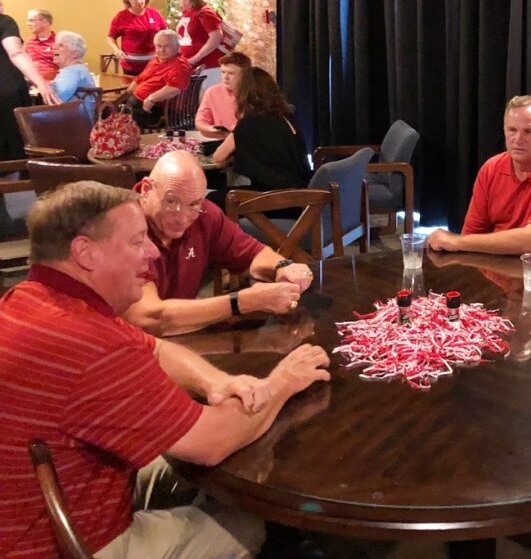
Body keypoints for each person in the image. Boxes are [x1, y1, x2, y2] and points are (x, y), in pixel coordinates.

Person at [0, 181, 330, 558]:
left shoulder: (30, 300)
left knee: (204, 463)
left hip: (56, 499)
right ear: (85, 253)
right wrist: (283, 382)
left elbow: (154, 347)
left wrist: (217, 381)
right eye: (138, 241)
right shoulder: (91, 344)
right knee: (248, 522)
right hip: (65, 544)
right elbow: (213, 442)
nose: (154, 253)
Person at [124, 150, 316, 336]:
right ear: (146, 189)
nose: (182, 219)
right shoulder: (123, 226)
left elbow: (252, 253)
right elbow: (148, 319)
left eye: (193, 205)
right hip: (124, 350)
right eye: (171, 202)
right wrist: (242, 302)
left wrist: (282, 267)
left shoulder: (206, 215)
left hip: (182, 340)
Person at [427, 95, 531, 255]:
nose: (518, 139)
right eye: (512, 130)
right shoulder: (492, 168)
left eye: (528, 131)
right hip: (495, 267)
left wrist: (456, 241)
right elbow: (472, 233)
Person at [210, 67, 312, 207]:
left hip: (272, 200)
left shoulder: (250, 122)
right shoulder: (286, 116)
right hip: (301, 195)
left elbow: (218, 158)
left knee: (212, 199)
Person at [0, 0, 58, 160]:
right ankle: (16, 180)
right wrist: (41, 83)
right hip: (6, 88)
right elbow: (16, 52)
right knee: (12, 138)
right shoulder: (5, 22)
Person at [122, 28, 193, 127]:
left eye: (166, 46)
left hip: (154, 111)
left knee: (108, 118)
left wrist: (152, 98)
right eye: (159, 46)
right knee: (107, 109)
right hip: (136, 105)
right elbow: (139, 80)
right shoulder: (155, 60)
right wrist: (124, 96)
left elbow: (174, 89)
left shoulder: (180, 65)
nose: (162, 50)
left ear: (177, 47)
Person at [107, 0, 167, 76]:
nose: (139, 1)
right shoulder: (121, 16)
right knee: (134, 89)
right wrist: (117, 50)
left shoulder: (154, 13)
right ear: (128, 0)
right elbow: (111, 36)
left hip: (153, 63)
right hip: (131, 64)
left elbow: (165, 32)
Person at [176, 0, 226, 91]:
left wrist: (195, 58)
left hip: (209, 65)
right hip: (192, 65)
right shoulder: (187, 12)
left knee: (207, 97)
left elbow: (216, 37)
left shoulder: (205, 12)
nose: (179, 0)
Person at [196, 51, 252, 138]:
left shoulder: (255, 93)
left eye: (231, 73)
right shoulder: (212, 92)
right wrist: (210, 129)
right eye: (223, 72)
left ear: (244, 75)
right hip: (220, 140)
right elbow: (201, 120)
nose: (225, 77)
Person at [51, 30, 98, 115]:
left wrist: (43, 87)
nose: (54, 48)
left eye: (61, 45)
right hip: (82, 120)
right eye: (55, 45)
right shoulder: (80, 69)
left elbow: (56, 99)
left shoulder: (72, 71)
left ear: (74, 54)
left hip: (72, 123)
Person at [24, 8, 58, 80]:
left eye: (31, 20)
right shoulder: (29, 43)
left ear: (44, 22)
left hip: (53, 84)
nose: (28, 24)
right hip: (31, 84)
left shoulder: (59, 42)